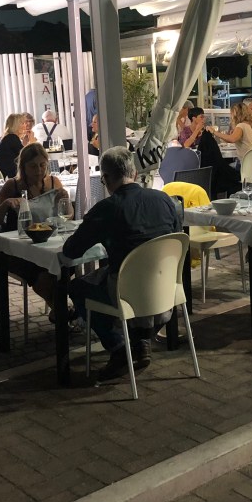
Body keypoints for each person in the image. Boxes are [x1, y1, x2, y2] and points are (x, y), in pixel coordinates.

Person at [65, 146, 180, 382]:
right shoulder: (164, 200)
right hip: (166, 290)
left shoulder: (107, 209)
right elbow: (176, 241)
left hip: (126, 292)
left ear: (106, 178)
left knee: (77, 287)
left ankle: (118, 348)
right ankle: (141, 340)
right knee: (116, 272)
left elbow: (71, 251)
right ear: (134, 173)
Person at [0, 142, 73, 317]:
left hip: (48, 243)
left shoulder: (54, 182)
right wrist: (6, 204)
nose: (39, 170)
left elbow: (68, 216)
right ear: (23, 167)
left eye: (42, 165)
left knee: (68, 264)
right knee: (42, 275)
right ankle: (64, 313)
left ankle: (62, 313)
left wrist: (64, 201)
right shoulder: (13, 186)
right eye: (33, 166)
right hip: (19, 249)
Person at [0, 113, 30, 179]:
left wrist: (25, 143)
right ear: (16, 125)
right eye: (22, 123)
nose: (25, 126)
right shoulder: (12, 138)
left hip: (5, 174)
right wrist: (32, 141)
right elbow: (27, 156)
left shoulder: (7, 138)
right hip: (10, 176)